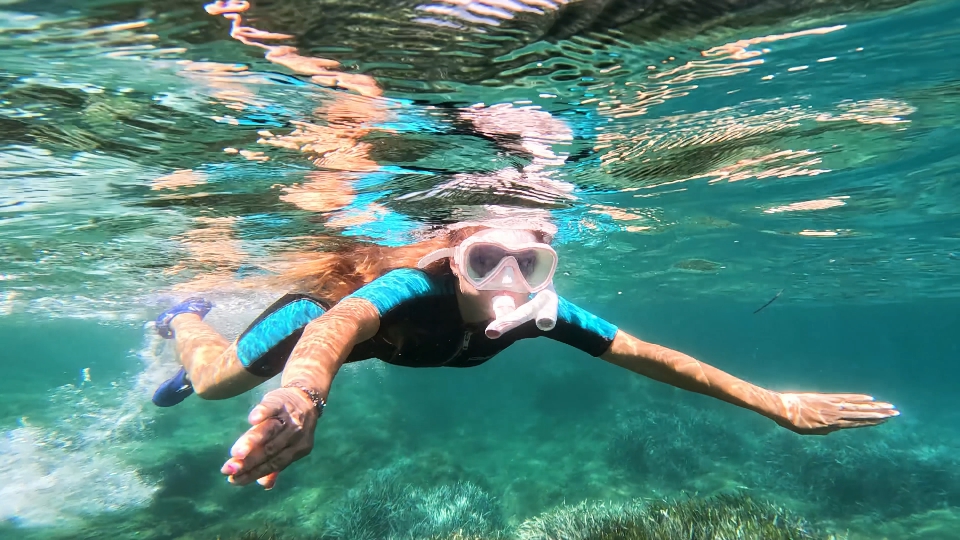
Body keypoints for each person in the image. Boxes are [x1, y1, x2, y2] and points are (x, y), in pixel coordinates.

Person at [150, 210, 899, 490]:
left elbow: (646, 354)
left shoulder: (540, 313)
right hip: (319, 321)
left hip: (373, 344)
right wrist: (302, 393)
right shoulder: (407, 290)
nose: (508, 283)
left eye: (530, 264)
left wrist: (775, 403)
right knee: (217, 382)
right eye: (485, 262)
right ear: (453, 259)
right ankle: (184, 315)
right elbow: (337, 328)